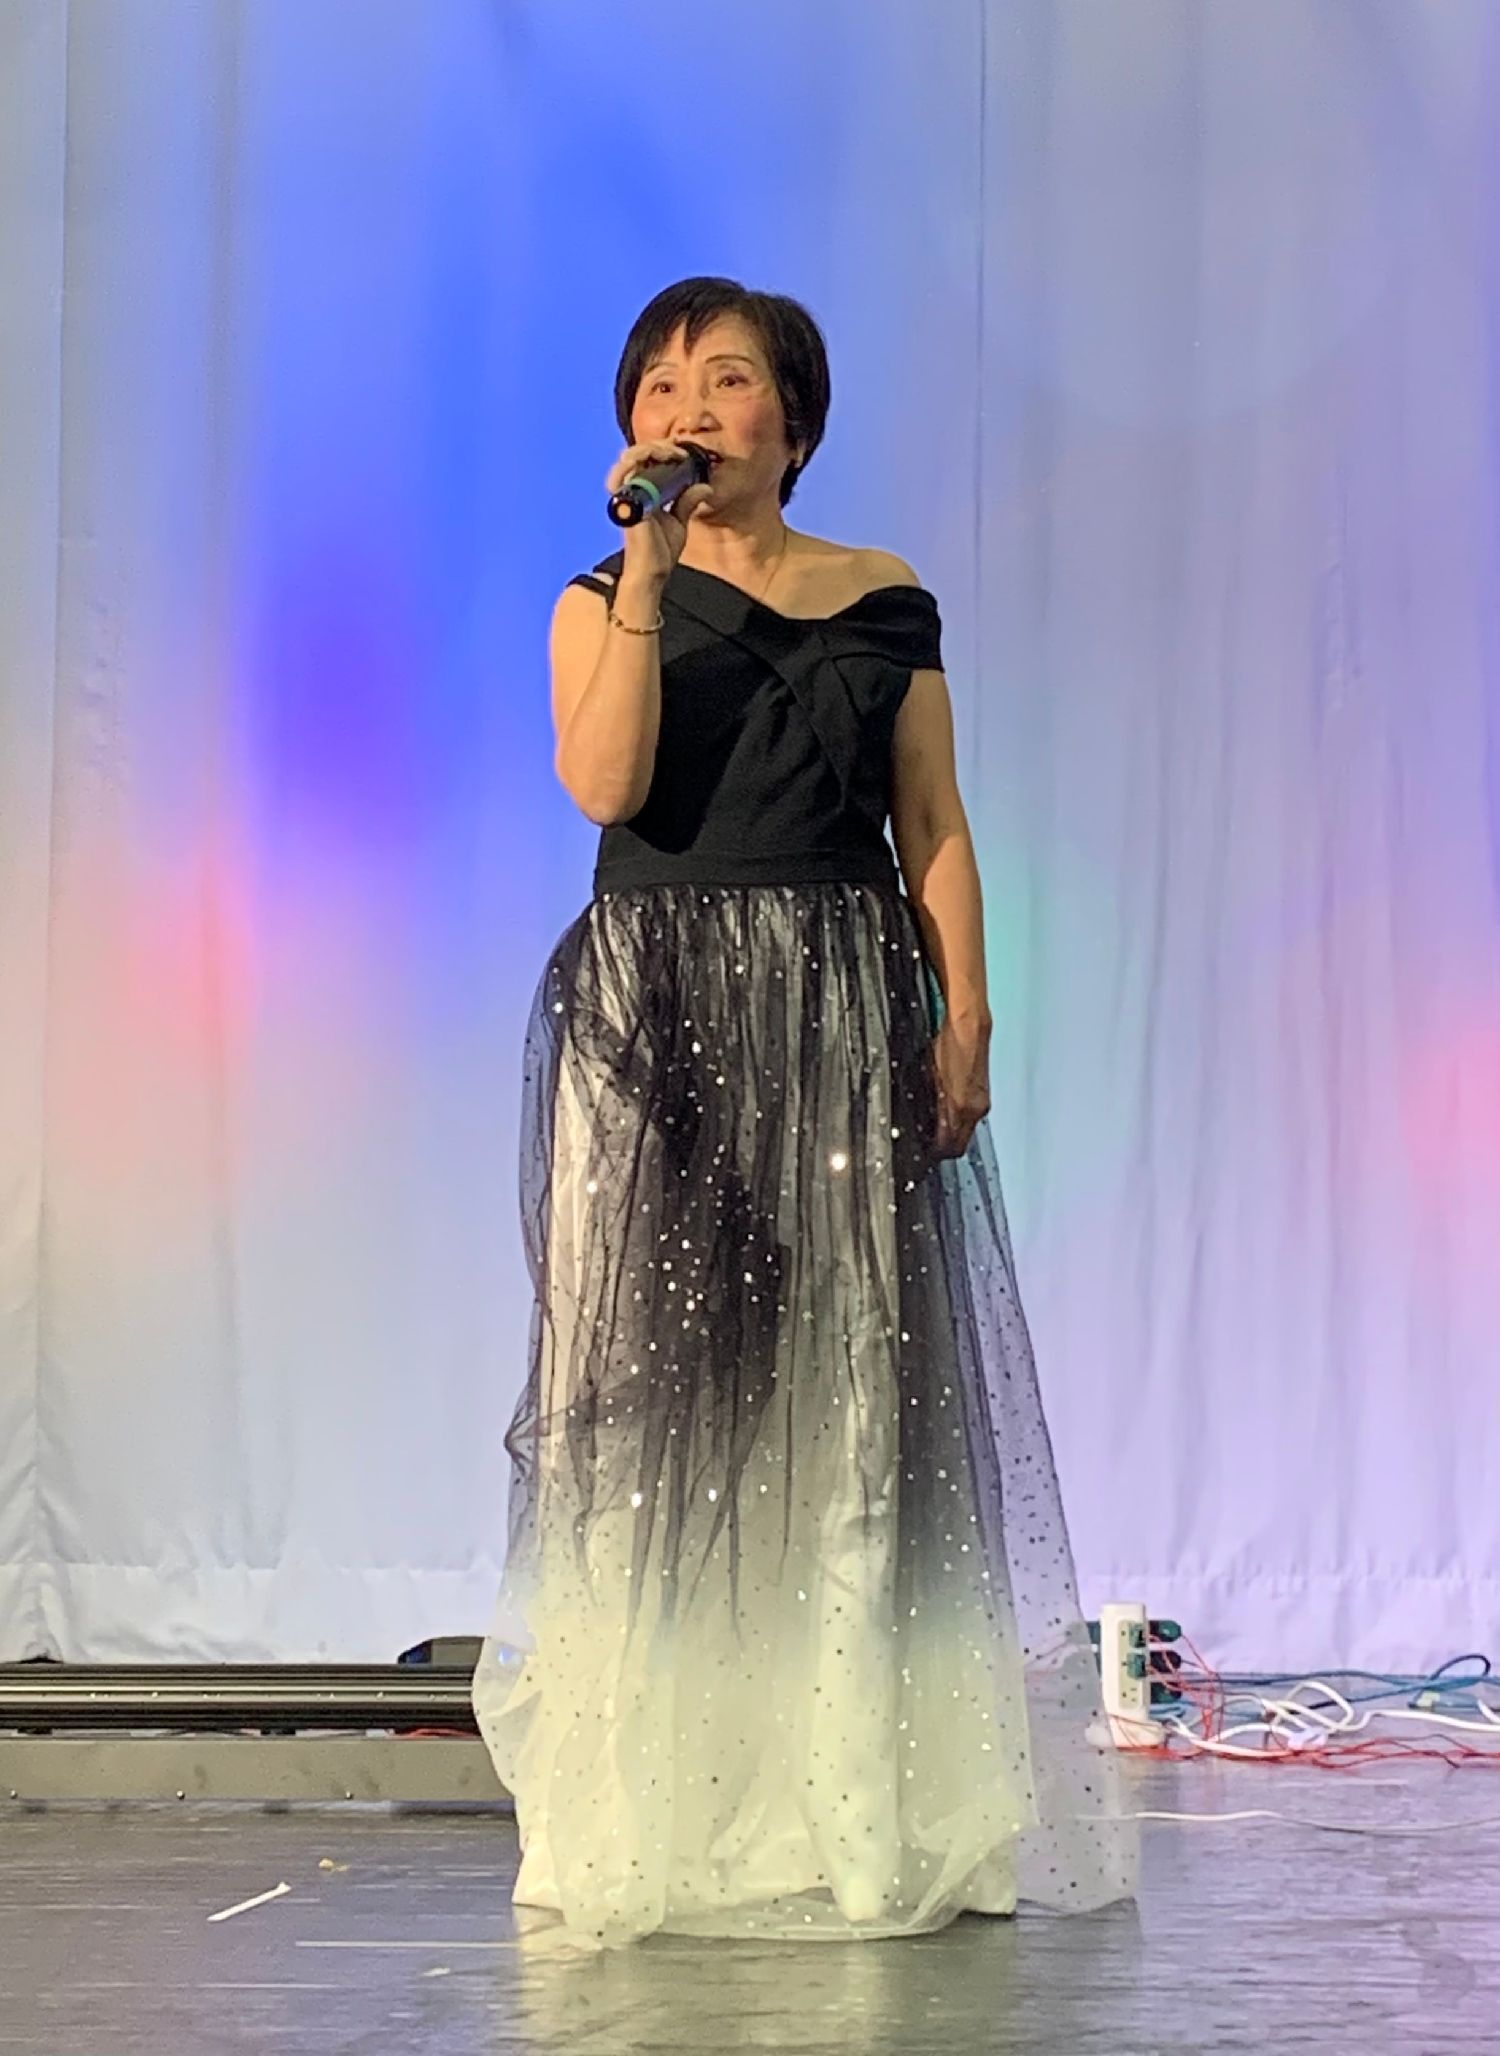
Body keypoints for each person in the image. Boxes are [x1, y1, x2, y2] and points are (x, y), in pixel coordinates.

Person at [472, 277, 1137, 1950]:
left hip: (840, 1009)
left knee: (848, 1402)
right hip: (657, 1020)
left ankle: (852, 1808)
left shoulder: (884, 599)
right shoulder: (597, 597)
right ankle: (655, 1814)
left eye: (726, 379)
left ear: (796, 420)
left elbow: (935, 824)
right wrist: (646, 568)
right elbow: (606, 786)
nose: (688, 408)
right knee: (650, 1425)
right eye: (660, 384)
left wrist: (966, 1013)